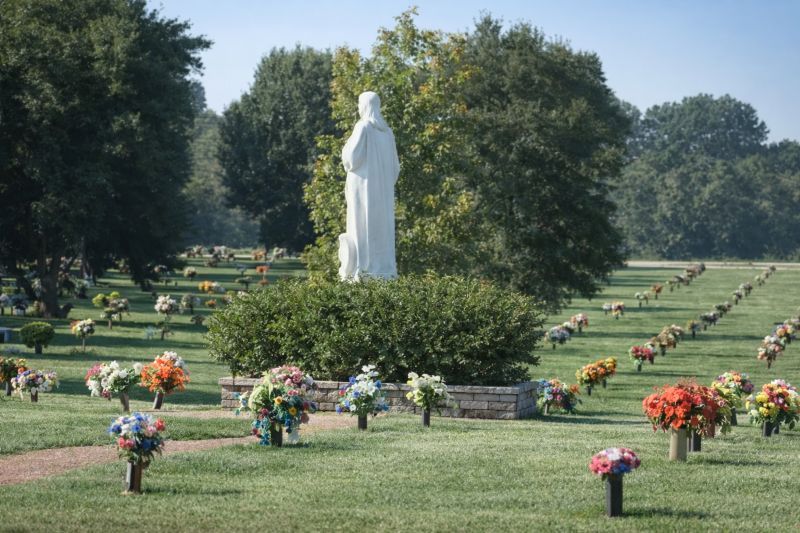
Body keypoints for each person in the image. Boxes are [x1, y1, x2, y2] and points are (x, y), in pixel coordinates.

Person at [339, 91, 400, 280]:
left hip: (362, 188)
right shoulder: (388, 133)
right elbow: (395, 169)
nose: (358, 108)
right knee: (382, 231)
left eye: (359, 104)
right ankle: (383, 268)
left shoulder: (363, 126)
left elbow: (351, 159)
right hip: (383, 194)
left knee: (361, 228)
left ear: (364, 106)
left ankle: (363, 269)